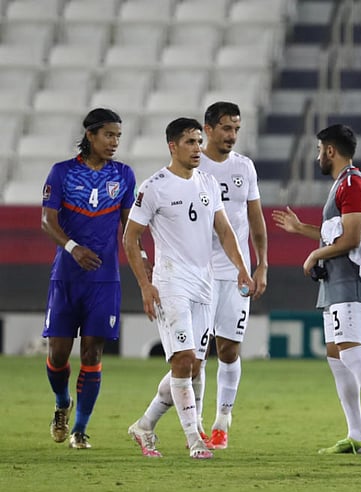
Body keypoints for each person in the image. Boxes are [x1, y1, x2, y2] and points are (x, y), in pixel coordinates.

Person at [272, 124, 361, 454]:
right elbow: (336, 233)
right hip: (335, 281)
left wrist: (315, 254)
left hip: (351, 279)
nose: (318, 156)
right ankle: (356, 434)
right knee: (337, 356)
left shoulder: (351, 184)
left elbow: (351, 238)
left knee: (351, 352)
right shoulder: (343, 185)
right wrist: (301, 229)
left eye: (319, 150)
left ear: (330, 150)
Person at [123, 117, 255, 460]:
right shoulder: (154, 187)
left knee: (194, 366)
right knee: (182, 359)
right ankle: (195, 438)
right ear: (173, 146)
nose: (198, 148)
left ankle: (144, 425)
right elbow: (130, 236)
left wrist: (242, 268)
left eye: (199, 141)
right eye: (191, 142)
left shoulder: (208, 183)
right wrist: (144, 284)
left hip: (204, 283)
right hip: (170, 281)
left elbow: (225, 231)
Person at [41, 108, 138, 449]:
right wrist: (72, 247)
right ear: (91, 135)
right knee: (57, 354)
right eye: (109, 135)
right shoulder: (62, 173)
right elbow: (47, 221)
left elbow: (130, 226)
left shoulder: (124, 175)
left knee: (93, 354)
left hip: (105, 280)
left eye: (118, 136)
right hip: (66, 277)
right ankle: (61, 402)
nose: (114, 142)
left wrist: (141, 259)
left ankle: (79, 430)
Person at [195, 102, 269, 450]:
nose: (232, 136)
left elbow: (255, 219)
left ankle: (222, 420)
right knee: (195, 355)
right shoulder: (194, 165)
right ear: (208, 129)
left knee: (229, 349)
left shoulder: (244, 167)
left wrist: (261, 263)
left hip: (235, 273)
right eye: (226, 128)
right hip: (199, 272)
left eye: (236, 129)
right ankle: (193, 421)